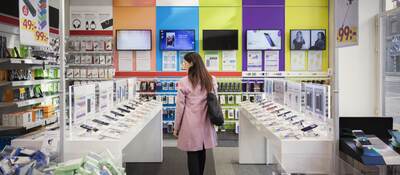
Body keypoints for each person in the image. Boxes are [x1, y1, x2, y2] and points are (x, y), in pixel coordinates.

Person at [173, 52, 217, 175]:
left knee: (192, 153)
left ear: (191, 64)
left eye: (185, 62)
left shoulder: (183, 81)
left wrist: (176, 127)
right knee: (202, 151)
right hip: (206, 122)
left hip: (190, 123)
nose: (183, 64)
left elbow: (180, 107)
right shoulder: (211, 79)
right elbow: (215, 101)